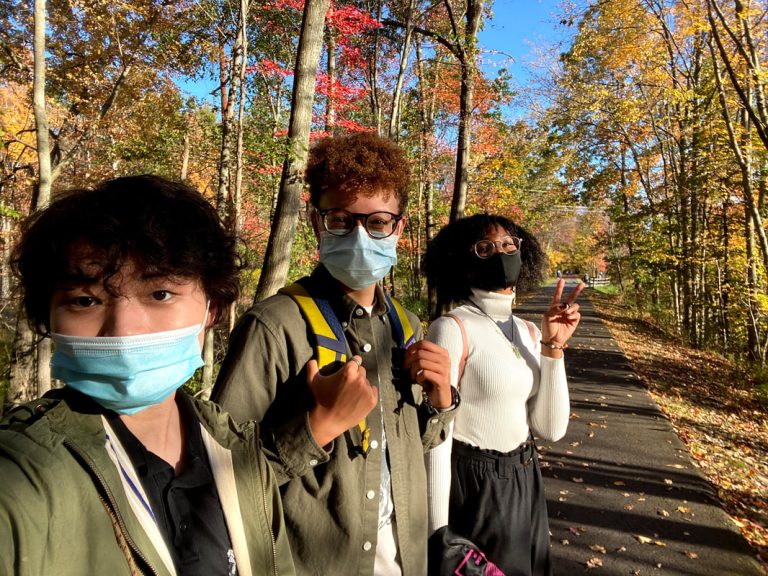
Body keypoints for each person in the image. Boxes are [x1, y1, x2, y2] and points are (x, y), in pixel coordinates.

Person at [1, 175, 295, 576]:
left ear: (212, 308)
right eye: (86, 300)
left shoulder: (238, 451)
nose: (123, 330)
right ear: (48, 318)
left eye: (159, 294)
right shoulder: (21, 475)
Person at [212, 132, 457, 575]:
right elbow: (221, 475)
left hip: (406, 556)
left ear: (399, 227)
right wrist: (314, 428)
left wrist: (441, 403)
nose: (361, 235)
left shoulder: (407, 326)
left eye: (378, 221)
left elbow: (409, 445)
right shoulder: (273, 327)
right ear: (315, 222)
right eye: (342, 220)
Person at [423, 214, 583, 576]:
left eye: (509, 245)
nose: (501, 253)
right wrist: (438, 534)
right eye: (485, 248)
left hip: (526, 478)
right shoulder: (452, 328)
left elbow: (550, 428)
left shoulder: (528, 330)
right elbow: (437, 434)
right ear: (463, 263)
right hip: (476, 488)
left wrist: (553, 347)